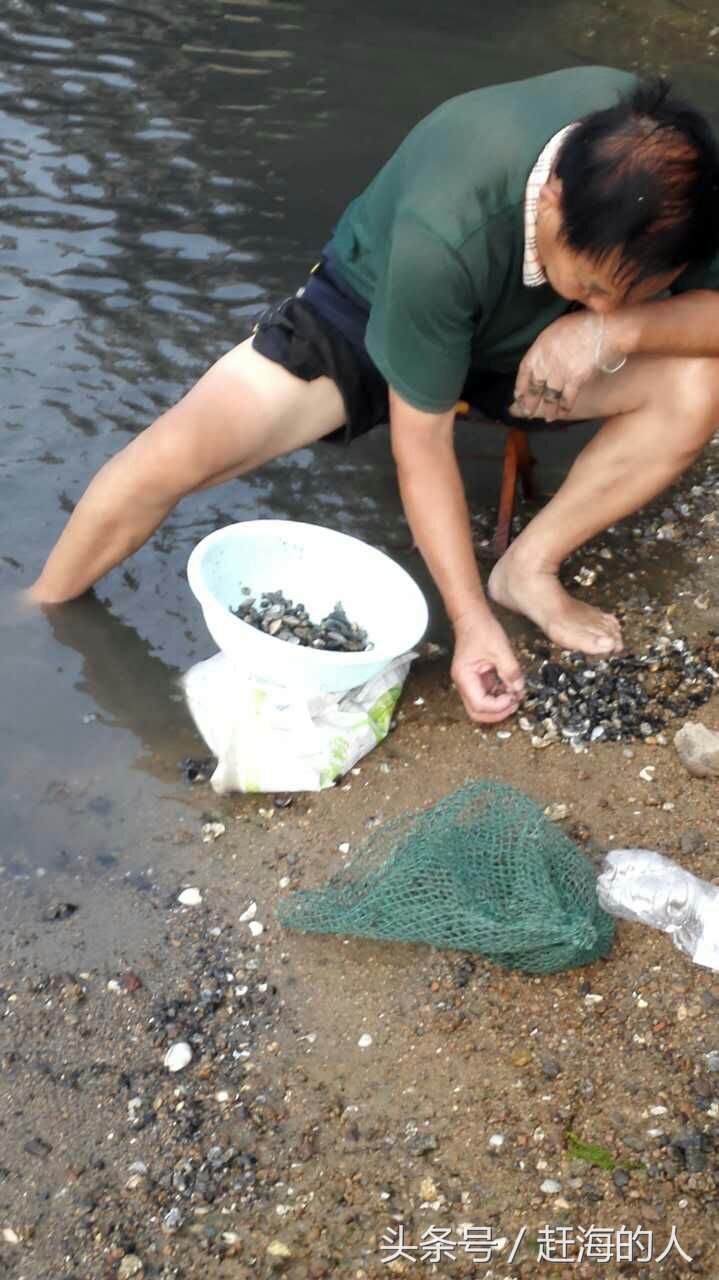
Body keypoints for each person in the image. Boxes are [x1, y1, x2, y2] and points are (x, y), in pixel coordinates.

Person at [29, 66, 719, 725]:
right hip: (369, 309)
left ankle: (528, 570)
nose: (603, 301)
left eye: (631, 289)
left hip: (532, 347)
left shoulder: (674, 189)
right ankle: (38, 611)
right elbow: (420, 444)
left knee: (697, 382)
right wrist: (469, 624)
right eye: (593, 284)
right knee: (175, 455)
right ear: (551, 200)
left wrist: (609, 327)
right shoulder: (444, 227)